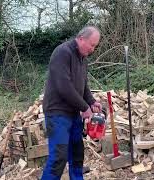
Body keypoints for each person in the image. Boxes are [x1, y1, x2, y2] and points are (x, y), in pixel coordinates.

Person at [41, 26, 102, 180]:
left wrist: (92, 101)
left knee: (76, 153)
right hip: (57, 112)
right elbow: (64, 86)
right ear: (81, 39)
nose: (93, 49)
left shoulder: (82, 58)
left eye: (95, 46)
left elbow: (83, 85)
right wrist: (84, 107)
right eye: (92, 45)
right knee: (58, 158)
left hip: (73, 113)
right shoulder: (62, 53)